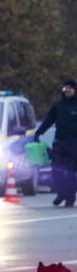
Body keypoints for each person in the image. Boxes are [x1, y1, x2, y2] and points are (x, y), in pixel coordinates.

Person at [34, 79, 77, 207]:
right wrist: (38, 133)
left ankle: (70, 197)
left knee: (70, 172)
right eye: (66, 88)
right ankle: (61, 193)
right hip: (60, 142)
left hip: (74, 143)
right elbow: (49, 120)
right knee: (56, 170)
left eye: (70, 88)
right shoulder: (58, 106)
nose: (67, 90)